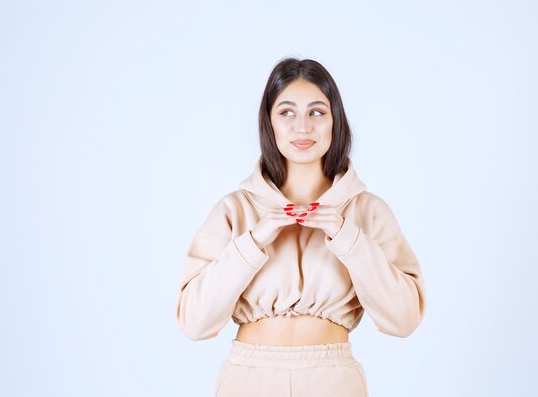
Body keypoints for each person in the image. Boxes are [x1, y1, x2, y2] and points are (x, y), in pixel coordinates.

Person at [175, 57, 426, 396]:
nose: (303, 127)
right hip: (249, 378)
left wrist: (349, 239)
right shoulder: (235, 209)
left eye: (317, 112)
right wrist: (253, 242)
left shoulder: (367, 210)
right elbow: (194, 322)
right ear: (269, 123)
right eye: (287, 112)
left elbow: (404, 319)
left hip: (333, 379)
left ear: (336, 121)